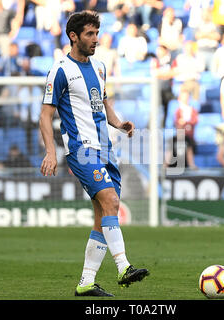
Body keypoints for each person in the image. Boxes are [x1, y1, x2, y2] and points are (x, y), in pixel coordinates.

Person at [39, 11, 149, 297]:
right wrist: (51, 152)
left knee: (103, 214)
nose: (95, 39)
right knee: (111, 200)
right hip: (81, 149)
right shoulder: (61, 69)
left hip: (106, 148)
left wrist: (118, 122)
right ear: (73, 36)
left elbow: (103, 103)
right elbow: (45, 115)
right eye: (89, 34)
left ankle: (86, 282)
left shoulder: (99, 66)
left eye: (97, 33)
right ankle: (124, 267)